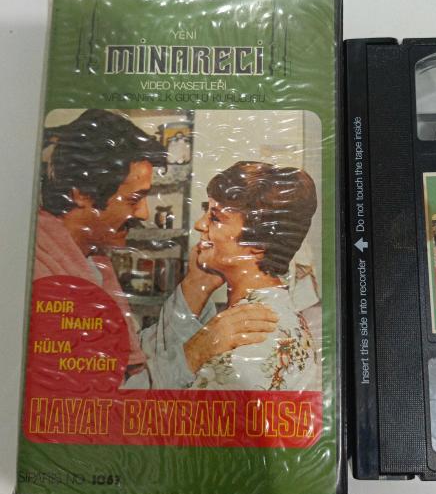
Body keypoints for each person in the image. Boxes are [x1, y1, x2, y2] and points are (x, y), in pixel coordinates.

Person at [35, 109, 278, 388]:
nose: (144, 213)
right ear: (81, 194)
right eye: (134, 199)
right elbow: (109, 399)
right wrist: (199, 350)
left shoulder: (91, 262)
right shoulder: (43, 276)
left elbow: (133, 361)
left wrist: (196, 287)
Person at [183, 161, 320, 391]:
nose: (199, 225)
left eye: (215, 218)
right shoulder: (269, 313)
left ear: (258, 243)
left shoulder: (250, 335)